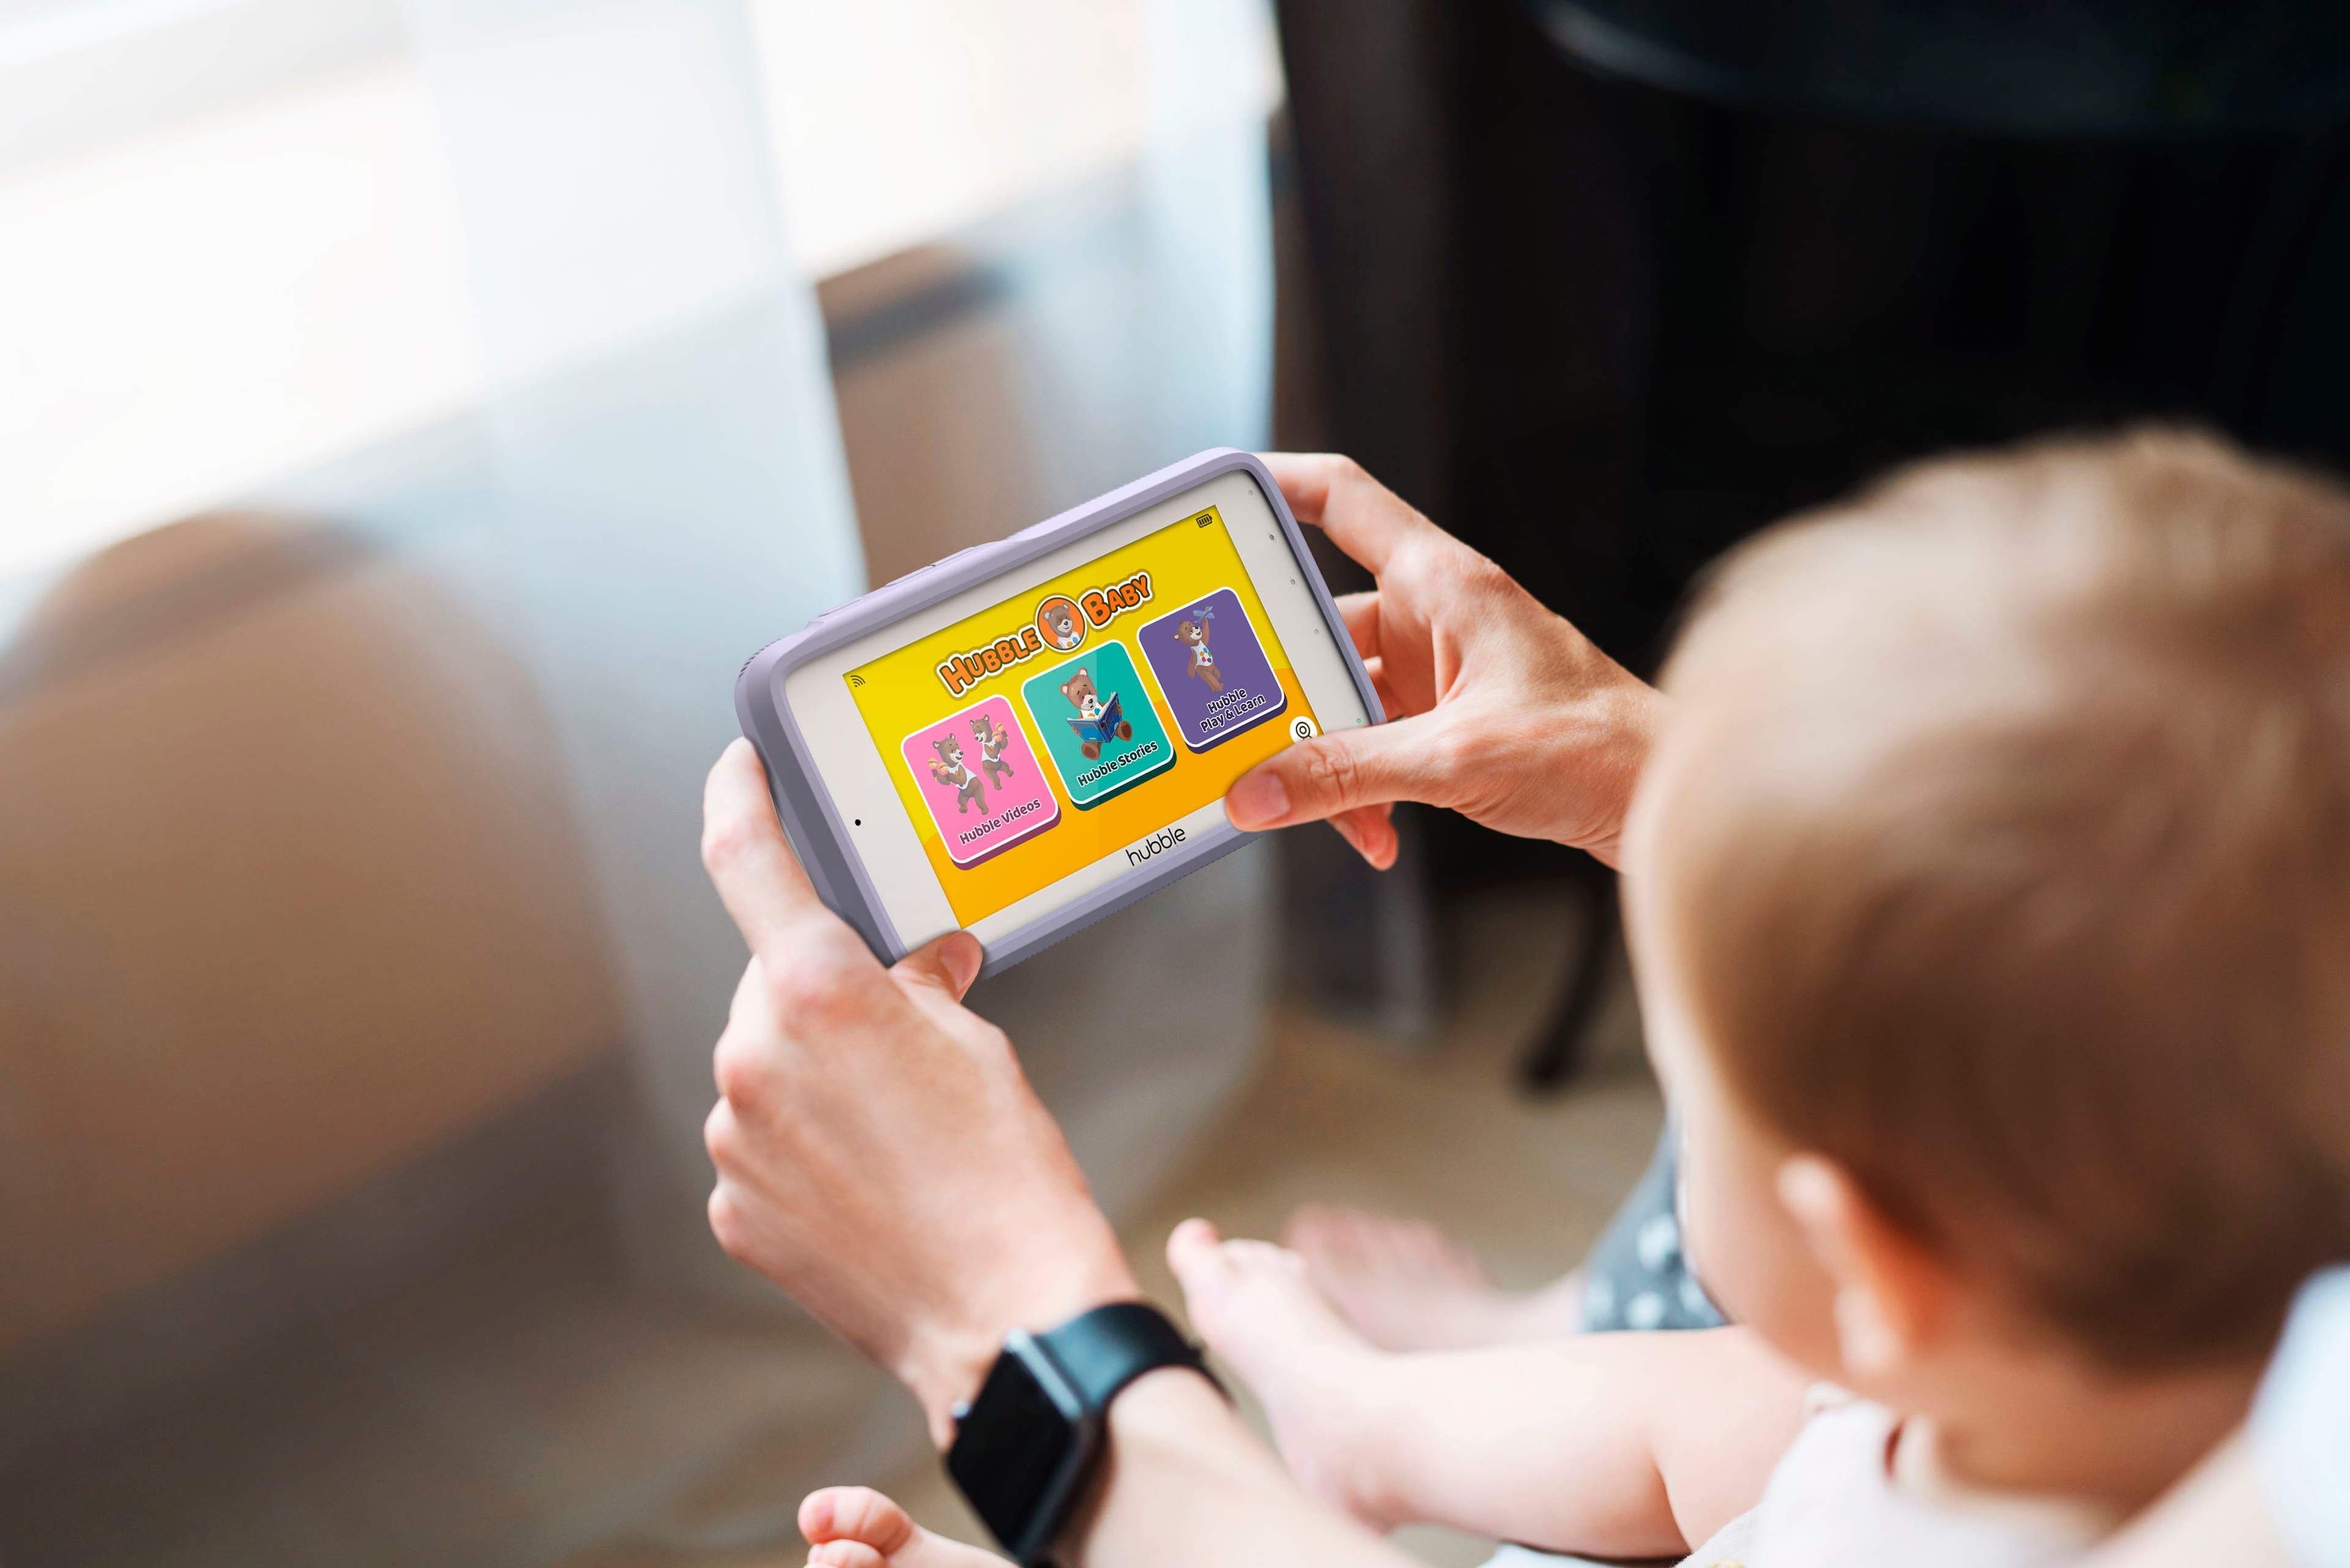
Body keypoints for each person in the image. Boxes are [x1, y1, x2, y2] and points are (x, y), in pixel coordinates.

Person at [699, 435, 2350, 1568]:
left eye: (1683, 1080)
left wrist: (1007, 1343)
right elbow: (1761, 1423)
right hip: (1825, 1425)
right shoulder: (2027, 1393)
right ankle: (1381, 1416)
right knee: (1761, 1393)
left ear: (1883, 1267)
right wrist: (1677, 792)